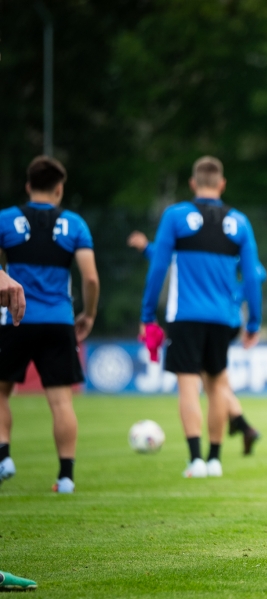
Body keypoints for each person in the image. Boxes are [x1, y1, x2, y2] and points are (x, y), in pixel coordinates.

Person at [139, 156, 263, 478]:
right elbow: (252, 276)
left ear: (193, 184)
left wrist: (147, 313)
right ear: (222, 184)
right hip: (223, 318)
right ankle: (215, 459)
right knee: (218, 386)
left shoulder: (175, 215)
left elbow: (158, 267)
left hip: (185, 315)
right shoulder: (239, 222)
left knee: (188, 386)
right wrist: (254, 322)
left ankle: (195, 460)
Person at [0, 156, 99, 493]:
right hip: (59, 320)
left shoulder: (6, 219)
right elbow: (91, 278)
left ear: (28, 186)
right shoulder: (74, 224)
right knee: (61, 401)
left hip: (15, 319)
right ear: (59, 189)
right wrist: (88, 314)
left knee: (1, 392)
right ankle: (66, 477)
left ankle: (4, 456)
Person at [127, 230, 261, 455]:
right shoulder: (225, 242)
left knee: (207, 381)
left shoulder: (205, 241)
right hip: (225, 319)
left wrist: (236, 297)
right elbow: (257, 274)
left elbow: (167, 258)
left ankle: (223, 439)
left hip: (208, 317)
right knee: (214, 380)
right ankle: (242, 425)